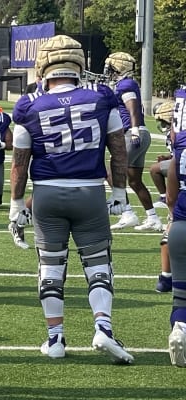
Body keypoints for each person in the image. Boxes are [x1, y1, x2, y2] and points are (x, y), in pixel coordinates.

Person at [10, 35, 133, 364]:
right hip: (89, 191)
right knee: (98, 264)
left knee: (50, 268)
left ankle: (55, 339)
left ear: (45, 65)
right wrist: (120, 192)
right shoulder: (102, 97)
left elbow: (20, 163)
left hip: (47, 194)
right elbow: (118, 148)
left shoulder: (29, 104)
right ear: (77, 62)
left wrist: (15, 205)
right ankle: (103, 329)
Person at [105, 51, 162, 232]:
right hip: (137, 133)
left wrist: (135, 129)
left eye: (111, 66)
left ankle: (127, 213)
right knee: (134, 181)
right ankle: (153, 218)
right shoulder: (124, 84)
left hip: (133, 133)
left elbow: (133, 109)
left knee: (111, 174)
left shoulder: (126, 84)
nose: (108, 70)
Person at [166, 85, 186, 367]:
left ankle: (180, 327)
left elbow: (170, 194)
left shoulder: (180, 151)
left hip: (181, 226)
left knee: (181, 293)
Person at [150, 100, 175, 210]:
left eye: (162, 120)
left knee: (154, 169)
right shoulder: (173, 131)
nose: (162, 124)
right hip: (180, 160)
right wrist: (167, 157)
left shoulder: (176, 131)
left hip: (182, 162)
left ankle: (165, 197)